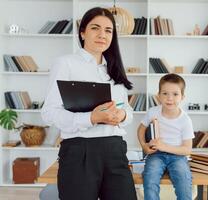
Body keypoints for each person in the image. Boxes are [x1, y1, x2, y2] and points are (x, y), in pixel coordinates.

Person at [41, 7, 137, 200]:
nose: (102, 35)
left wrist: (122, 115)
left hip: (115, 149)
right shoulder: (65, 63)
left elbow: (126, 109)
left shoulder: (114, 68)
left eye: (108, 30)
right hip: (79, 151)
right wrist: (91, 118)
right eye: (95, 28)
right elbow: (49, 113)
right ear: (83, 32)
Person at [137, 73, 194, 200]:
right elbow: (141, 129)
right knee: (150, 178)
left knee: (184, 181)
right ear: (158, 96)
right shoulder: (153, 112)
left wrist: (164, 146)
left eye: (175, 94)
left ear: (182, 97)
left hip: (178, 157)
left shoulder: (185, 120)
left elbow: (187, 149)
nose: (169, 98)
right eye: (165, 93)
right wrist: (144, 146)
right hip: (156, 154)